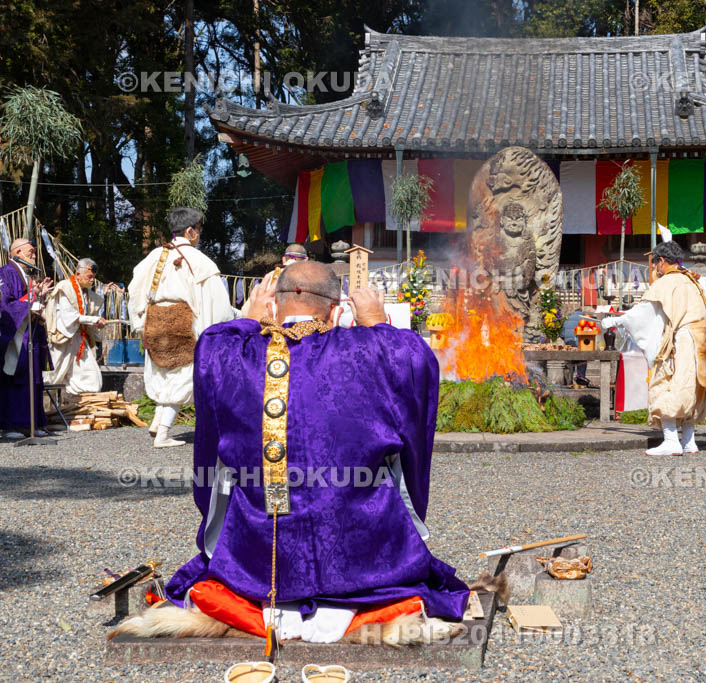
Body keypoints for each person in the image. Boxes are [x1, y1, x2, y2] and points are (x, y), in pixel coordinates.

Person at [160, 261, 469, 641]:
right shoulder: (372, 352)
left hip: (260, 563)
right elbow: (414, 357)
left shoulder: (235, 354)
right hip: (364, 556)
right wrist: (376, 321)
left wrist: (248, 320)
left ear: (273, 306)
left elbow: (211, 344)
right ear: (338, 311)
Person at [601, 240, 706, 455]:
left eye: (655, 263)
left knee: (668, 384)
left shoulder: (667, 282)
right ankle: (689, 440)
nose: (655, 268)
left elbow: (643, 313)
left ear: (662, 261)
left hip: (685, 338)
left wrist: (615, 321)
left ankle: (671, 441)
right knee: (691, 388)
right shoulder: (692, 280)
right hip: (705, 339)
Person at [127, 208, 235, 448]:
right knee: (183, 376)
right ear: (190, 231)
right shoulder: (199, 261)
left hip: (154, 320)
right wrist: (219, 327)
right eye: (198, 229)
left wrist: (139, 322)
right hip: (183, 322)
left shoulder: (155, 255)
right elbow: (216, 303)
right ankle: (164, 433)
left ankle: (157, 423)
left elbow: (135, 288)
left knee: (164, 373)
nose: (199, 233)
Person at [0, 238, 53, 438]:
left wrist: (40, 296)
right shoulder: (6, 273)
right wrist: (32, 299)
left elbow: (30, 302)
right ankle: (10, 425)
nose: (33, 254)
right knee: (16, 377)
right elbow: (5, 304)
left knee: (34, 378)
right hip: (16, 334)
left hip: (31, 333)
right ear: (17, 253)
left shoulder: (28, 276)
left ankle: (32, 422)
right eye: (29, 251)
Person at [43, 258, 107, 395]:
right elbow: (69, 317)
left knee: (91, 378)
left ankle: (82, 409)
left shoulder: (89, 295)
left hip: (80, 340)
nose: (92, 280)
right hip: (62, 339)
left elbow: (89, 316)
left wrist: (97, 323)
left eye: (93, 277)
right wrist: (94, 319)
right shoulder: (65, 287)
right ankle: (43, 411)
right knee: (53, 377)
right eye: (89, 276)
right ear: (78, 274)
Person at [239, 243, 308, 317]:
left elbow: (245, 312)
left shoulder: (269, 276)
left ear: (284, 259)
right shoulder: (312, 278)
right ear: (306, 260)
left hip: (266, 325)